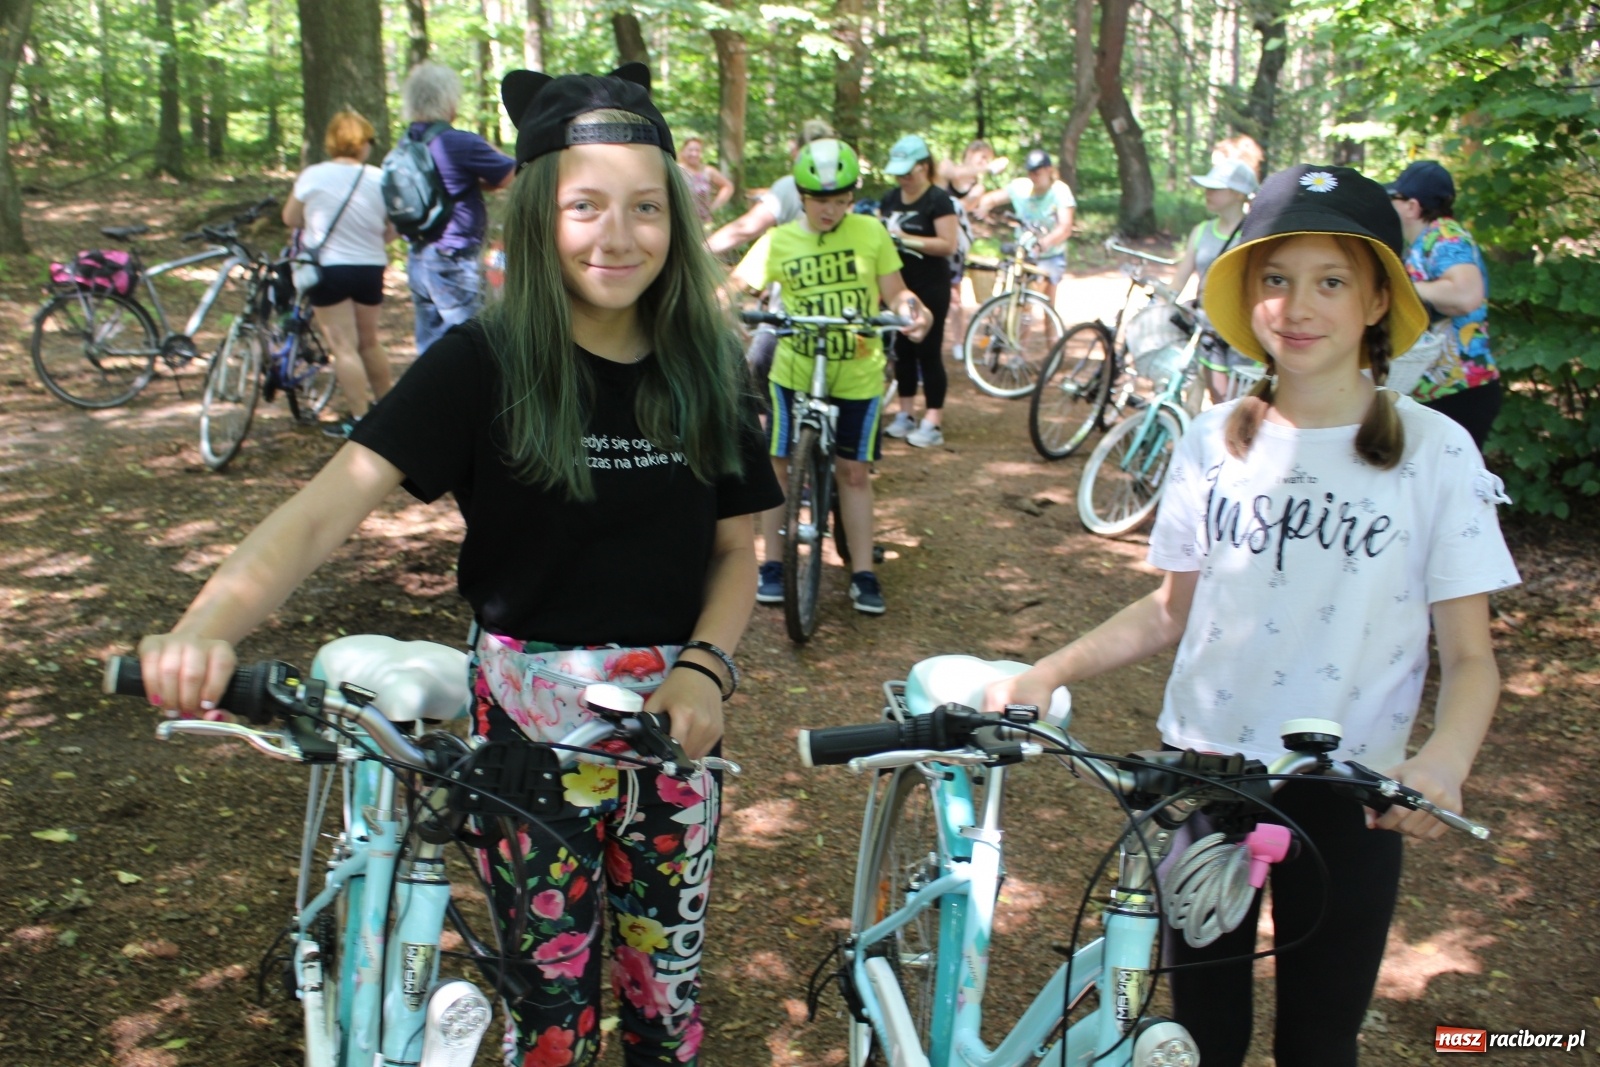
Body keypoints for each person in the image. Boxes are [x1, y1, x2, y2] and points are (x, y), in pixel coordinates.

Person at [135, 64, 783, 1067]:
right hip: (523, 747)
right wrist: (207, 625)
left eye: (646, 207)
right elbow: (321, 511)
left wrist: (706, 667)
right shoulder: (483, 360)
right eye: (585, 205)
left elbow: (739, 550)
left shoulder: (706, 364)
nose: (618, 236)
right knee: (551, 1014)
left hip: (673, 742)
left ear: (678, 218)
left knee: (666, 1003)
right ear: (536, 216)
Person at [985, 164, 1519, 1067]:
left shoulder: (1435, 451)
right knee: (1198, 1037)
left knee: (1318, 1040)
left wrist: (1445, 760)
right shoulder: (1212, 438)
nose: (1297, 305)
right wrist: (1048, 671)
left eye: (1331, 280)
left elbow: (1470, 658)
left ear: (1379, 298)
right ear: (1247, 294)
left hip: (1352, 800)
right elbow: (1170, 611)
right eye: (1275, 279)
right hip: (1206, 783)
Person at [731, 138, 930, 615]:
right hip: (794, 368)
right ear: (801, 196)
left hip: (857, 372)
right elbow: (736, 286)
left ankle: (862, 572)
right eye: (822, 200)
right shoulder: (779, 240)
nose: (832, 210)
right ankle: (773, 565)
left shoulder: (869, 232)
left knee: (854, 473)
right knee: (778, 465)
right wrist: (730, 311)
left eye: (841, 200)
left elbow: (896, 292)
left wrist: (912, 312)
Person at [283, 109, 395, 438]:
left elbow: (290, 218)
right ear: (363, 144)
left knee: (344, 347)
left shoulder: (313, 175)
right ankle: (389, 413)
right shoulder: (380, 178)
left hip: (328, 269)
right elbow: (394, 227)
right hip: (370, 267)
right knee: (370, 343)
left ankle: (361, 419)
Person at [398, 62, 516, 356]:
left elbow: (448, 185)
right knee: (475, 343)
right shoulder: (458, 143)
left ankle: (432, 399)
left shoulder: (406, 144)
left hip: (418, 257)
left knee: (430, 346)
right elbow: (515, 174)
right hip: (454, 259)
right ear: (448, 100)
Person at [1386, 159, 1501, 447]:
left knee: (1455, 490)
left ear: (1412, 206)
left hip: (1460, 392)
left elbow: (1465, 294)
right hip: (1443, 391)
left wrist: (1401, 288)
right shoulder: (1426, 241)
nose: (1391, 207)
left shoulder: (1445, 236)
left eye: (1394, 199)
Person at [879, 134, 960, 448]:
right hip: (896, 284)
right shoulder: (889, 199)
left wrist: (905, 239)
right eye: (899, 174)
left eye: (909, 172)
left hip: (931, 286)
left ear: (924, 167)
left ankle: (933, 420)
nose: (904, 179)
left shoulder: (938, 200)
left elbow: (947, 244)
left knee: (928, 350)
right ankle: (905, 413)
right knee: (902, 352)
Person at [1168, 157, 1258, 403]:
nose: (1208, 193)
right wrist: (1163, 300)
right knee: (1219, 404)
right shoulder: (1201, 231)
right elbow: (1180, 280)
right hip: (1209, 329)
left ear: (1239, 194)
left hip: (1246, 334)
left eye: (1216, 188)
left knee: (1242, 406)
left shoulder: (1256, 235)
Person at [705, 119, 833, 255]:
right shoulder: (845, 187)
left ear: (797, 152)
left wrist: (698, 252)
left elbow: (746, 228)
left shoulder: (790, 186)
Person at [974, 148, 1076, 305]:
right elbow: (992, 198)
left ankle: (1051, 328)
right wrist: (984, 206)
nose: (1033, 177)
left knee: (1047, 305)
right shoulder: (1020, 187)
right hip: (1023, 254)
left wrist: (1044, 243)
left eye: (1037, 173)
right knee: (1022, 307)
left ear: (1049, 170)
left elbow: (1065, 227)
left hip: (1050, 256)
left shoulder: (1060, 191)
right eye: (1030, 173)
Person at [936, 139, 1005, 364]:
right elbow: (948, 173)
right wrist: (988, 168)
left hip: (955, 245)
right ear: (970, 153)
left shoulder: (978, 187)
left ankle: (958, 342)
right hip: (932, 237)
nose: (984, 163)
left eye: (988, 159)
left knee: (955, 297)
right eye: (982, 157)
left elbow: (962, 207)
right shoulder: (947, 167)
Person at [677, 135, 734, 228]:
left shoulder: (707, 171)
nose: (694, 154)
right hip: (681, 222)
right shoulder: (676, 170)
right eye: (690, 150)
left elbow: (728, 186)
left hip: (703, 222)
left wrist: (714, 207)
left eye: (697, 151)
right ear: (683, 151)